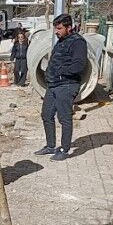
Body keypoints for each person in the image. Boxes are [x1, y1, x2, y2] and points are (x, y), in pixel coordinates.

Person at [35, 14, 87, 161]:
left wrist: (61, 71)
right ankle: (50, 146)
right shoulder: (61, 40)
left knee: (64, 118)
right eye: (55, 29)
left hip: (67, 85)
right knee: (46, 115)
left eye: (59, 29)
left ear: (69, 27)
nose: (56, 32)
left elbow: (79, 65)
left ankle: (64, 149)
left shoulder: (78, 42)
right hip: (53, 85)